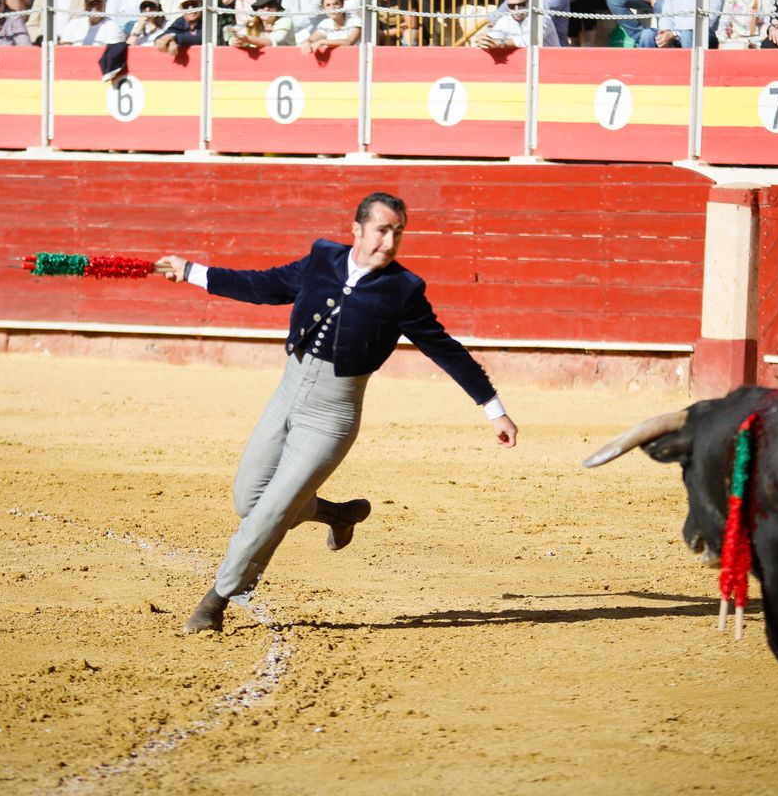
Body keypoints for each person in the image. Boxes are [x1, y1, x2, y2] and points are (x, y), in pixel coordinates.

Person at [157, 192, 518, 635]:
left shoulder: (404, 290)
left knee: (271, 512)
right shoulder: (322, 258)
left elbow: (445, 350)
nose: (390, 242)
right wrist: (192, 271)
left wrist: (493, 409)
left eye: (398, 233)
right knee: (249, 499)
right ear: (358, 229)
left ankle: (215, 602)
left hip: (333, 414)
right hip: (287, 392)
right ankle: (335, 514)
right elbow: (262, 285)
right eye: (383, 230)